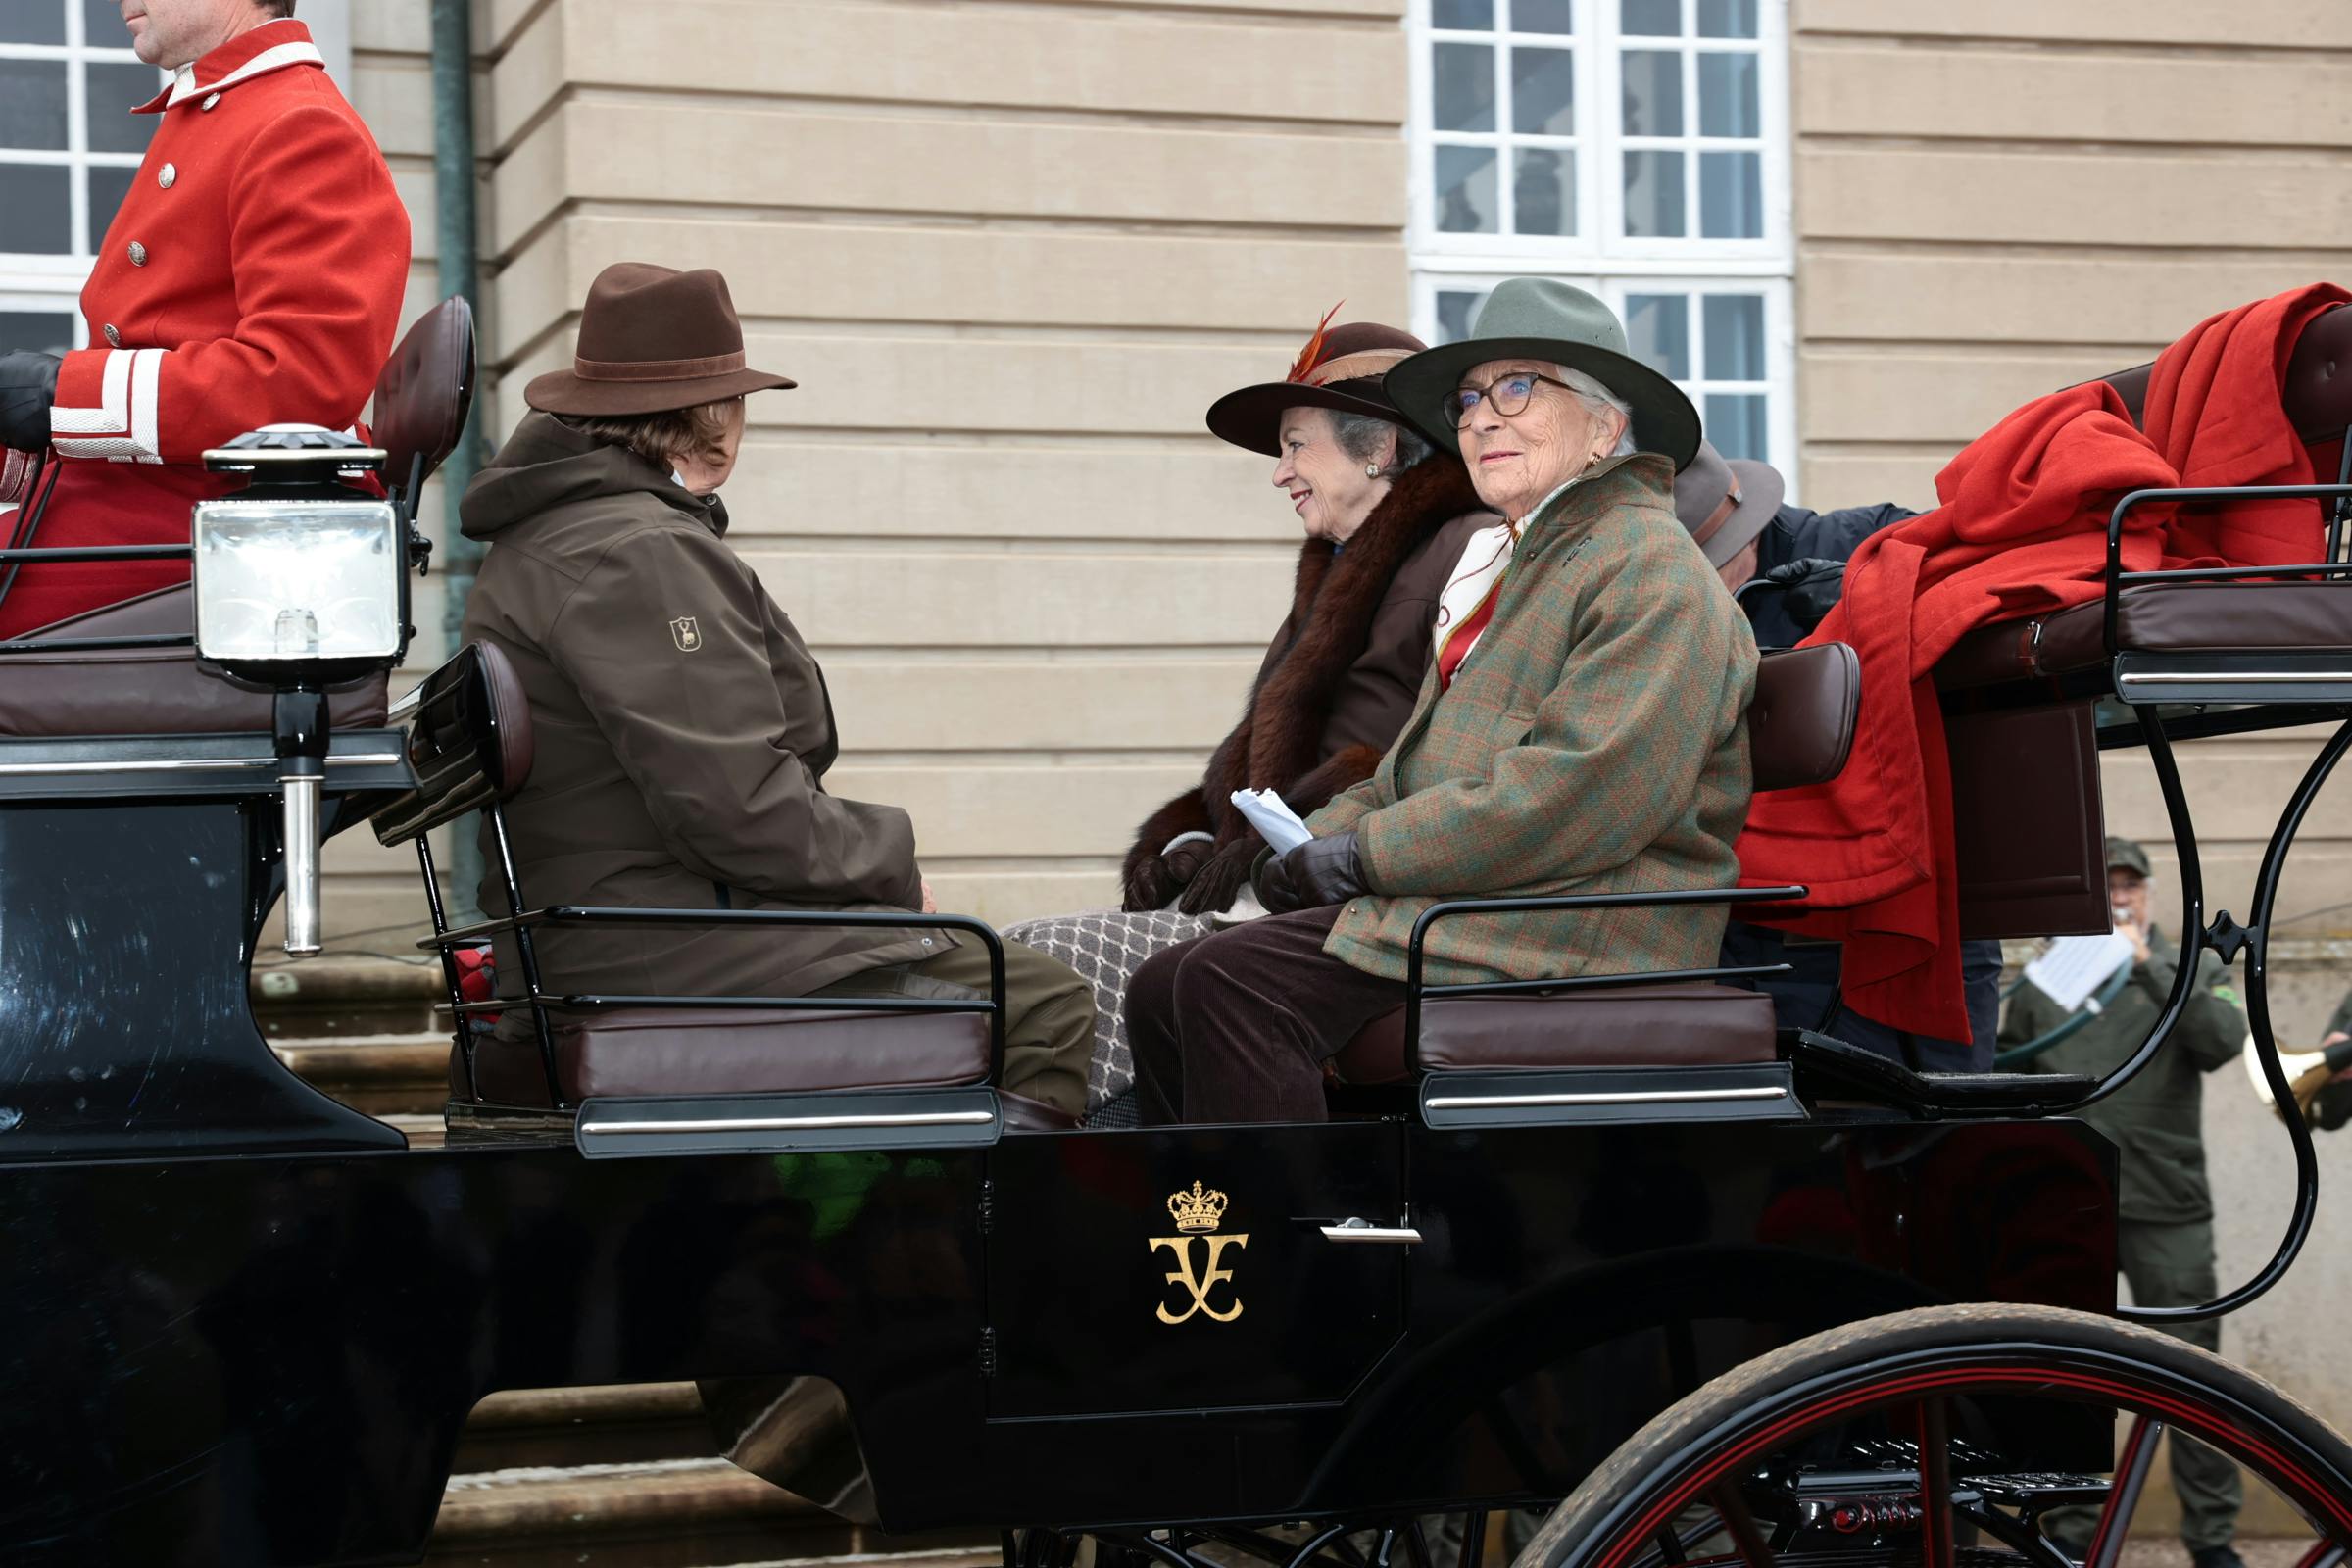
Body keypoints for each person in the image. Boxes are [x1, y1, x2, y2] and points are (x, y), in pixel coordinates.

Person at [457, 263, 1094, 1117]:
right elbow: (735, 808)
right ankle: (948, 1245)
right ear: (713, 414)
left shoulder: (546, 538)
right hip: (661, 943)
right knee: (1042, 1001)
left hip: (601, 932)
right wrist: (890, 866)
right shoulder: (638, 550)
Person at [1126, 278, 1756, 1124]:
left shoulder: (1651, 572)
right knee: (1165, 984)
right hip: (1496, 902)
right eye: (1469, 398)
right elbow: (1416, 771)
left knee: (1226, 985)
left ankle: (1294, 1248)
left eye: (1519, 388)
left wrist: (1360, 857)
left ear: (1606, 428)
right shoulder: (1531, 566)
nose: (1481, 419)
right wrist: (1305, 842)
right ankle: (1205, 1242)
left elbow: (1572, 799)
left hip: (1582, 922)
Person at [1002, 317, 1496, 1122]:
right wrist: (1185, 842)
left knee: (1049, 967)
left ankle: (1117, 1210)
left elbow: (1444, 758)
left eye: (1298, 445)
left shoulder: (1470, 551)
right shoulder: (1335, 574)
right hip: (1283, 888)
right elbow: (1260, 769)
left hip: (1360, 898)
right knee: (1025, 954)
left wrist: (1287, 841)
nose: (1281, 473)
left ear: (1377, 447)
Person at [0, 0, 410, 638]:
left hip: (226, 517)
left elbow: (298, 382)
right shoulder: (229, 109)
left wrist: (63, 395)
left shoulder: (298, 122)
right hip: (162, 498)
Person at [2007, 836, 2247, 1568]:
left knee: (2194, 1373)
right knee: (2073, 1375)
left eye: (2129, 886)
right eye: (2104, 887)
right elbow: (2001, 1068)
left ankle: (2212, 1540)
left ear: (2148, 893)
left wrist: (2150, 968)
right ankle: (2071, 1536)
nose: (2119, 898)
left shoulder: (2197, 969)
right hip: (2072, 1209)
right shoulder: (2045, 981)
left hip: (2167, 1207)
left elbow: (2225, 1037)